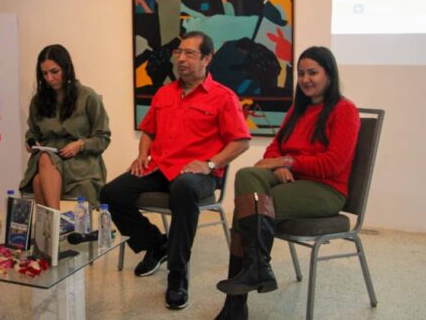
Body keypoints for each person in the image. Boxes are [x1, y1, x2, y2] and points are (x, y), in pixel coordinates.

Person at [100, 31, 251, 310]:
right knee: (111, 193)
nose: (181, 58)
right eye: (179, 52)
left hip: (198, 174)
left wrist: (209, 164)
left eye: (189, 53)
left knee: (184, 188)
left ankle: (177, 276)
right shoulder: (164, 93)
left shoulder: (223, 97)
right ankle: (157, 244)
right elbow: (148, 130)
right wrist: (142, 154)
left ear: (207, 59)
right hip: (160, 167)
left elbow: (241, 141)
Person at [214, 46, 360, 320]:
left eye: (313, 73)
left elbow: (333, 163)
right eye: (301, 73)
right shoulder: (298, 109)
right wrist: (280, 164)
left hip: (326, 190)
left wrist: (289, 162)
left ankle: (236, 303)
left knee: (252, 207)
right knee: (247, 175)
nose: (305, 79)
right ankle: (257, 269)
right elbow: (274, 148)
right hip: (293, 180)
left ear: (329, 75)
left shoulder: (345, 110)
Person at [20, 44, 111, 209]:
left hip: (80, 162)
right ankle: (54, 220)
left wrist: (80, 145)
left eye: (54, 72)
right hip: (48, 160)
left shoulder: (88, 97)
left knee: (39, 180)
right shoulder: (38, 101)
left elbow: (103, 138)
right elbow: (32, 133)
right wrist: (31, 142)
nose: (49, 78)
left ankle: (51, 221)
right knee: (44, 161)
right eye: (44, 73)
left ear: (66, 68)